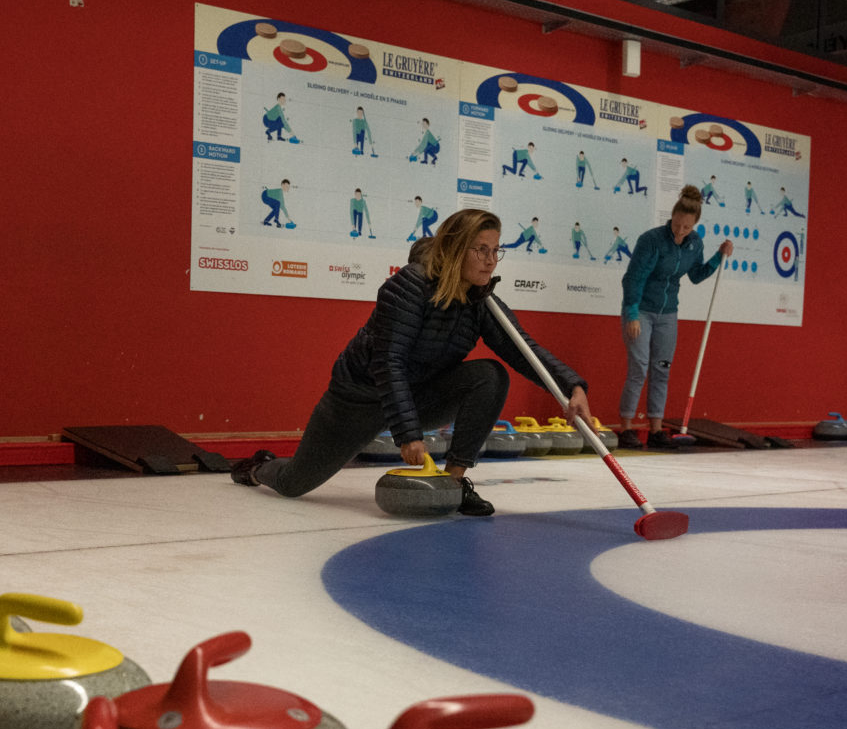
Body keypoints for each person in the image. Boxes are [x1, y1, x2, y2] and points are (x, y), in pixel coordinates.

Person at [230, 208, 591, 516]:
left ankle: (453, 483)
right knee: (295, 483)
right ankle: (259, 468)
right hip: (359, 398)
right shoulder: (408, 286)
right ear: (453, 248)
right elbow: (389, 361)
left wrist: (571, 386)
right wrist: (408, 434)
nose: (490, 260)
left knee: (489, 375)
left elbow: (522, 349)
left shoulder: (481, 300)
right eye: (480, 249)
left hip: (421, 397)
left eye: (496, 250)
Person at [618, 185, 733, 450]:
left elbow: (696, 275)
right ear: (672, 217)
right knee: (639, 368)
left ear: (695, 225)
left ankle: (656, 430)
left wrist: (719, 257)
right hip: (641, 310)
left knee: (662, 369)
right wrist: (632, 314)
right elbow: (633, 278)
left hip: (668, 313)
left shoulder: (695, 243)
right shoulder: (652, 240)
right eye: (678, 225)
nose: (680, 231)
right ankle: (627, 429)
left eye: (687, 228)